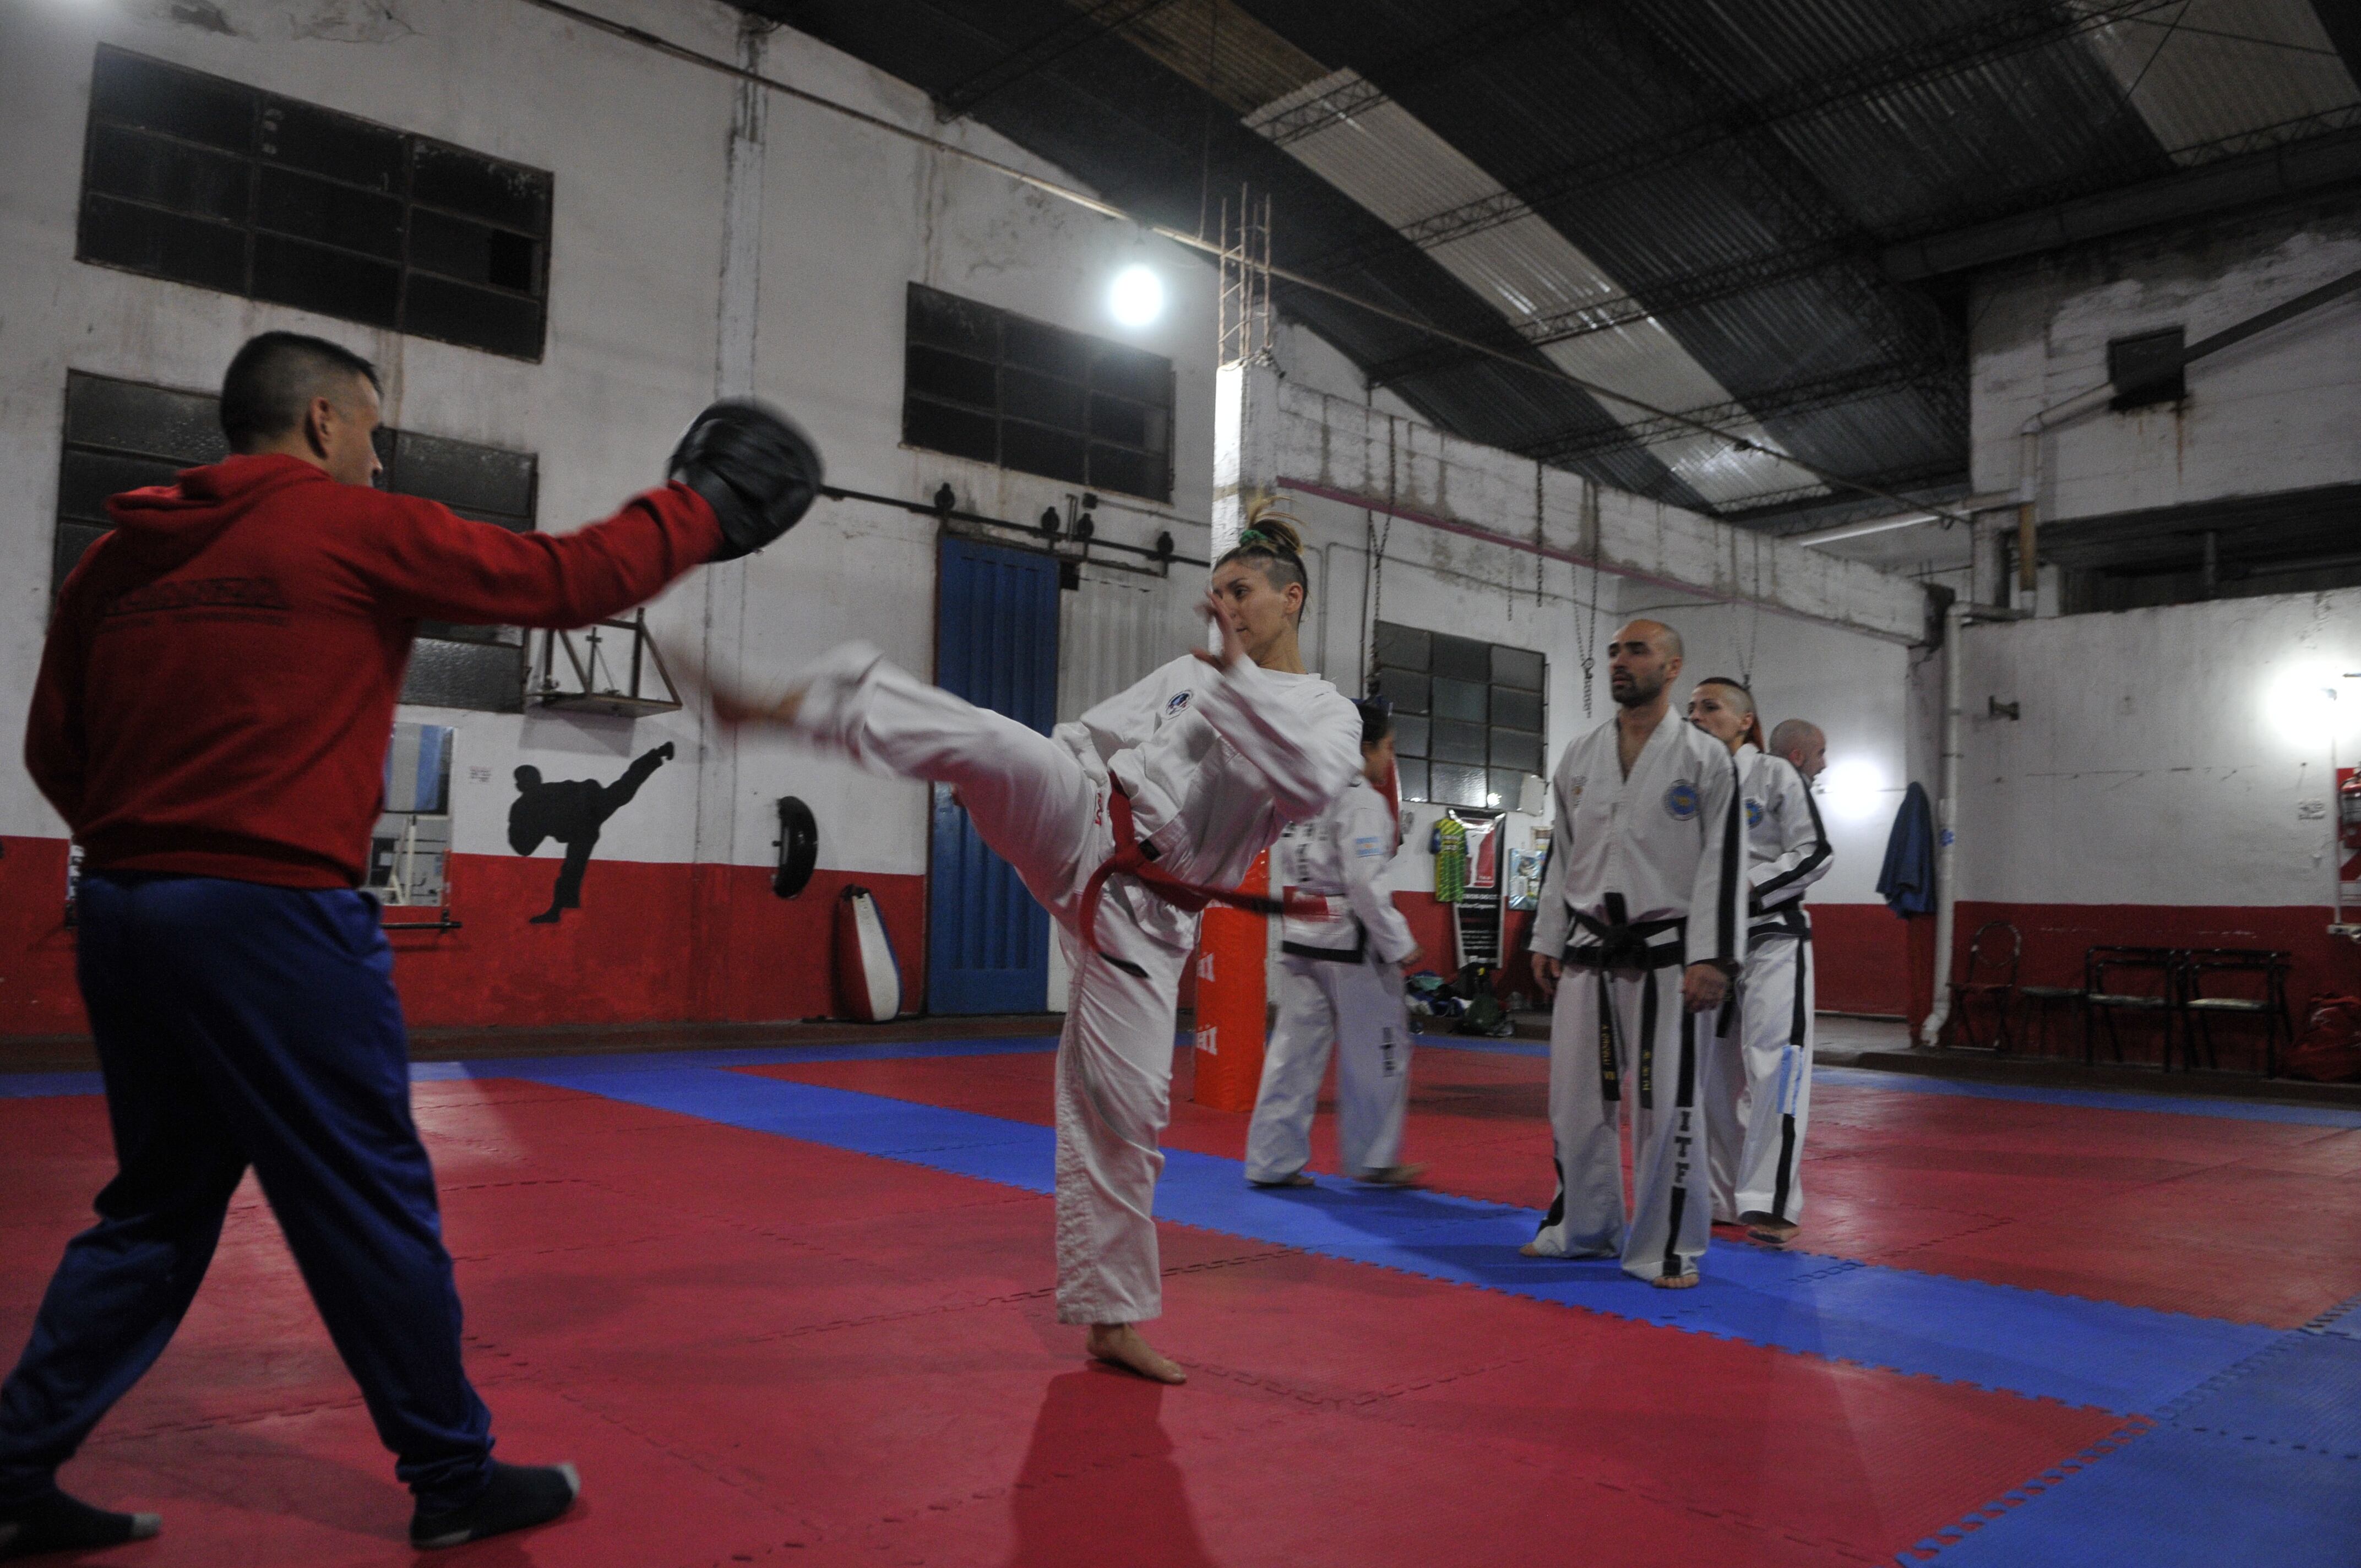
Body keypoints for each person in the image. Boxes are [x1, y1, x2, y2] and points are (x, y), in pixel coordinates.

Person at [2, 331, 819, 1558]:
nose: (378, 457)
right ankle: (450, 1472)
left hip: (126, 910)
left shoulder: (113, 562)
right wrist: (697, 503)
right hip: (273, 920)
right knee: (365, 1196)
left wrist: (149, 848)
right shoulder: (340, 526)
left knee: (157, 1207)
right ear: (324, 421)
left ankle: (14, 1466)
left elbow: (52, 752)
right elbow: (568, 579)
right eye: (372, 430)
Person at [703, 514, 1358, 1385]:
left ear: (1291, 598)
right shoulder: (1185, 674)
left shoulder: (1324, 710)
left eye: (1242, 592)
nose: (1227, 608)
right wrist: (1052, 778)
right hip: (1088, 820)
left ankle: (1111, 1320)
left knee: (1123, 1116)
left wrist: (1236, 689)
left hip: (1151, 914)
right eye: (1220, 594)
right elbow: (1091, 738)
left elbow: (1310, 785)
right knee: (984, 739)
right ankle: (808, 704)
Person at [1522, 620, 1744, 1288]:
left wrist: (1714, 957)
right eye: (1615, 652)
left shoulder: (1705, 759)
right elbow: (1562, 854)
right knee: (1575, 1103)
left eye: (1636, 651)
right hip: (1587, 950)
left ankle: (1665, 1245)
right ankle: (1582, 1228)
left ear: (1672, 667)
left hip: (1670, 958)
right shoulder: (1581, 755)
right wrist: (1544, 936)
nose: (1620, 662)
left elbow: (1723, 865)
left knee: (1666, 1108)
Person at [1244, 698, 1426, 1189]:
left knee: (1291, 1055)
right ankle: (1375, 1160)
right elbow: (1366, 883)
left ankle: (1270, 1161)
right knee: (1381, 1053)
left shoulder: (1302, 794)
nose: (1389, 759)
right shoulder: (1361, 798)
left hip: (1303, 937)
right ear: (1364, 745)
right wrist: (1401, 943)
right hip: (1352, 944)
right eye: (1387, 747)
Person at [1688, 688, 1831, 1246]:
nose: (1697, 717)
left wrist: (1746, 888)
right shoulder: (1688, 781)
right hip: (1705, 944)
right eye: (1692, 710)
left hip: (1772, 938)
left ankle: (1772, 1202)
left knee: (1775, 1066)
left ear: (1746, 720)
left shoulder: (1773, 774)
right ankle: (1724, 1195)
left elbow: (1815, 852)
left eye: (1711, 708)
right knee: (1710, 1078)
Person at [508, 742, 676, 922]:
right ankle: (560, 908)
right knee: (624, 789)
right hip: (585, 820)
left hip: (589, 810)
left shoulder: (530, 804)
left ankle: (559, 909)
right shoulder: (527, 805)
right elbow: (524, 847)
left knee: (623, 790)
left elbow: (524, 847)